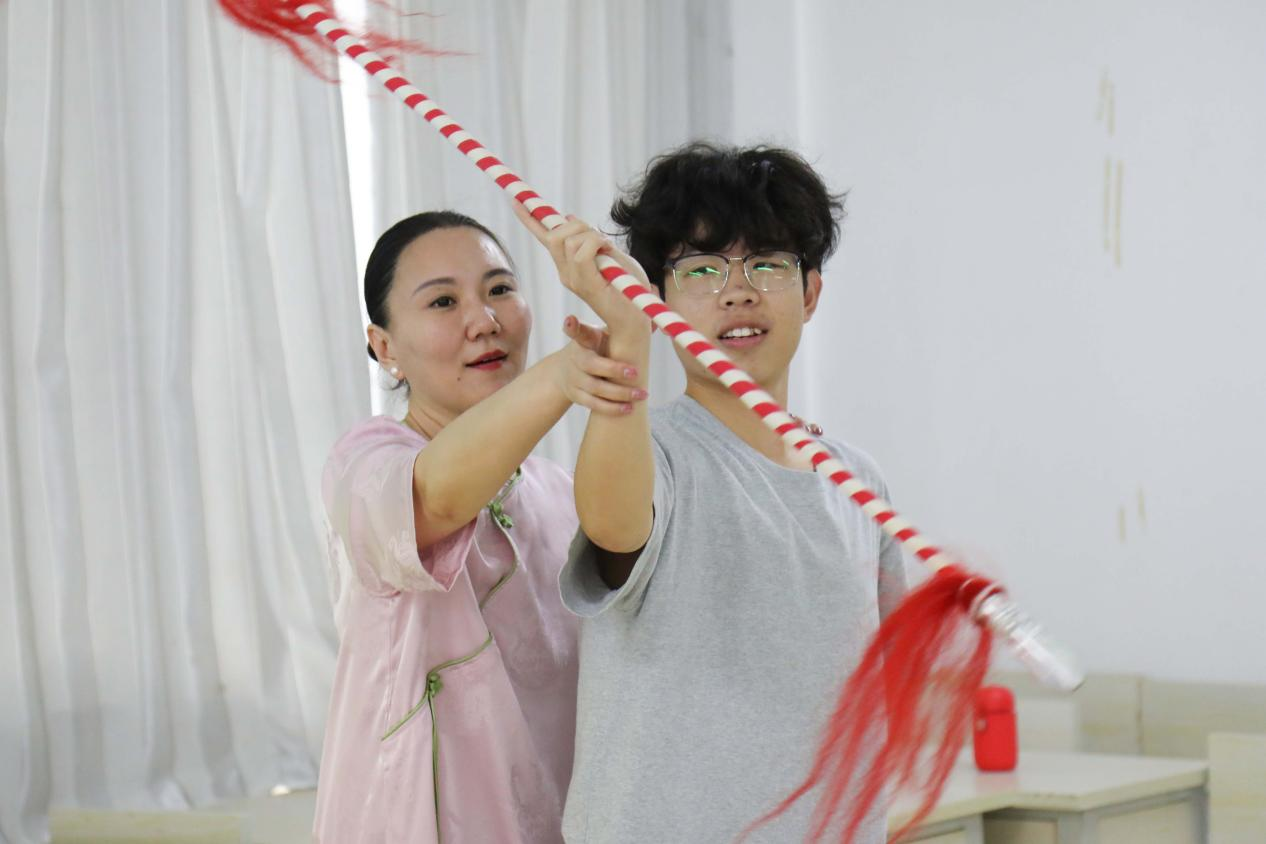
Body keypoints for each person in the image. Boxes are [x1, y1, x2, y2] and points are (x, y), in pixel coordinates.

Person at [520, 143, 910, 842]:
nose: (738, 291)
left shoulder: (858, 482)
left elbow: (881, 686)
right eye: (701, 269)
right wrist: (626, 339)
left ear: (810, 293)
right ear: (659, 300)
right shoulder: (651, 452)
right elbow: (613, 525)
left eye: (768, 263)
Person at [312, 210, 646, 843]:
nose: (484, 320)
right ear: (385, 347)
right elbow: (435, 499)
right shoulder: (365, 464)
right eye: (443, 301)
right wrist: (561, 374)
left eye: (499, 289)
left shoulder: (559, 491)